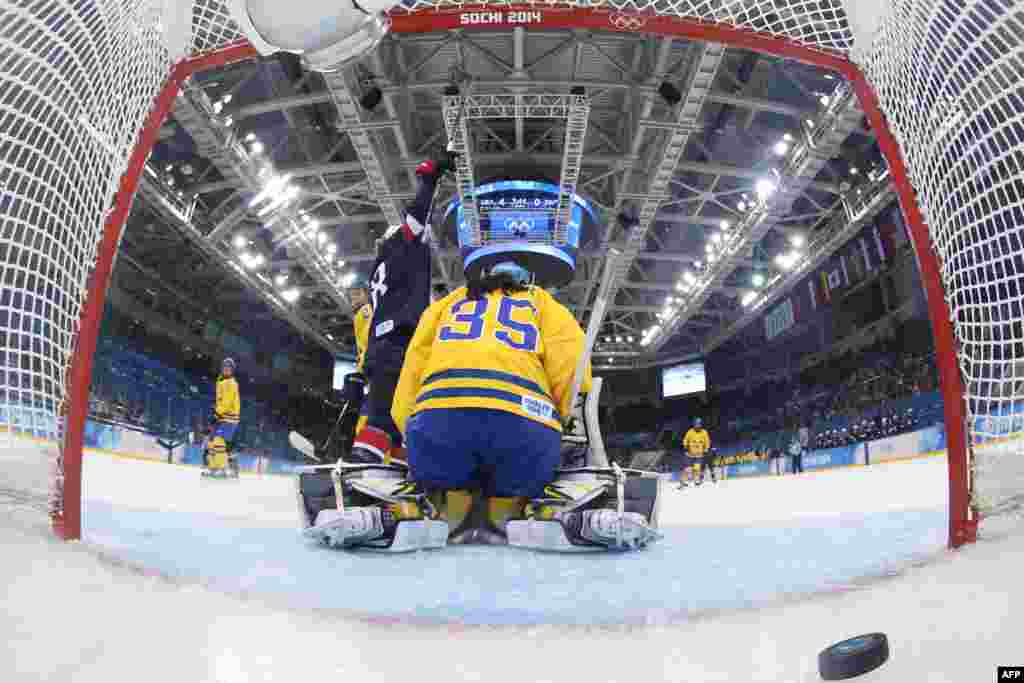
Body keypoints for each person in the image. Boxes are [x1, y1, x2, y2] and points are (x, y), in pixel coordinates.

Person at [390, 261, 591, 540]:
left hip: (438, 420)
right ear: (526, 280)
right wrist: (563, 416)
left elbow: (412, 366)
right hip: (524, 425)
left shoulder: (448, 302)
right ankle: (508, 514)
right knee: (518, 478)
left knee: (445, 477)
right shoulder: (543, 303)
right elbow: (572, 366)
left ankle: (450, 511)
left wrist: (410, 432)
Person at [348, 154, 455, 464]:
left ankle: (392, 475)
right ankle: (359, 471)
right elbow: (417, 215)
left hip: (386, 349)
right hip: (395, 347)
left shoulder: (381, 270)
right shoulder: (399, 249)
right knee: (382, 422)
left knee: (398, 425)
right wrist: (430, 178)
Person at [205, 358, 240, 478]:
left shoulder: (232, 383)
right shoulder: (220, 381)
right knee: (210, 442)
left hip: (230, 418)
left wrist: (216, 414)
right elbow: (220, 401)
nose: (226, 369)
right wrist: (216, 412)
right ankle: (213, 467)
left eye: (229, 367)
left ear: (232, 370)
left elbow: (227, 402)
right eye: (224, 366)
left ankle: (223, 468)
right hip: (221, 416)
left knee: (219, 441)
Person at [680, 418, 711, 487]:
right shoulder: (690, 431)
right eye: (696, 424)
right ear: (694, 424)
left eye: (699, 424)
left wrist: (706, 449)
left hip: (699, 455)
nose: (697, 426)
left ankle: (696, 480)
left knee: (697, 468)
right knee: (688, 469)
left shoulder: (704, 432)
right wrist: (685, 447)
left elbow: (707, 442)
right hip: (690, 454)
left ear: (701, 425)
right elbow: (685, 439)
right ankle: (684, 481)